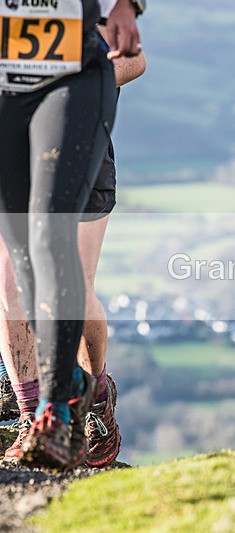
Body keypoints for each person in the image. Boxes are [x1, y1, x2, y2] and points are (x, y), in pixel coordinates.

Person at [0, 0, 143, 470]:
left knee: (53, 245)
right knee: (11, 278)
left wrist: (128, 7)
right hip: (8, 101)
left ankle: (85, 395)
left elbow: (134, 57)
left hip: (70, 98)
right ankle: (33, 412)